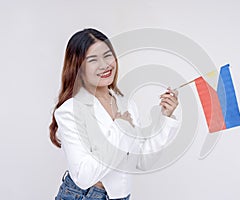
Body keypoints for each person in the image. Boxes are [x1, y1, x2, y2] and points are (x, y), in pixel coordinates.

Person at [49, 28, 180, 200]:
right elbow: (83, 177)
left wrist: (165, 118)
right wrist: (120, 127)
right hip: (83, 196)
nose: (104, 65)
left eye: (107, 55)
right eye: (93, 59)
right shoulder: (70, 111)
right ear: (78, 67)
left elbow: (142, 161)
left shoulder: (126, 104)